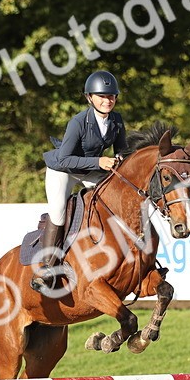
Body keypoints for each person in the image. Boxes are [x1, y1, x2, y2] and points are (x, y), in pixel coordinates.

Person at [31, 70, 127, 291]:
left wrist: (122, 159)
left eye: (111, 96)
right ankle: (47, 268)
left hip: (91, 169)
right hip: (63, 170)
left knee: (111, 204)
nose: (107, 100)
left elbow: (122, 150)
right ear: (89, 98)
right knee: (58, 212)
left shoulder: (117, 120)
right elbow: (65, 158)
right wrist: (98, 162)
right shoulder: (78, 122)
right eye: (101, 96)